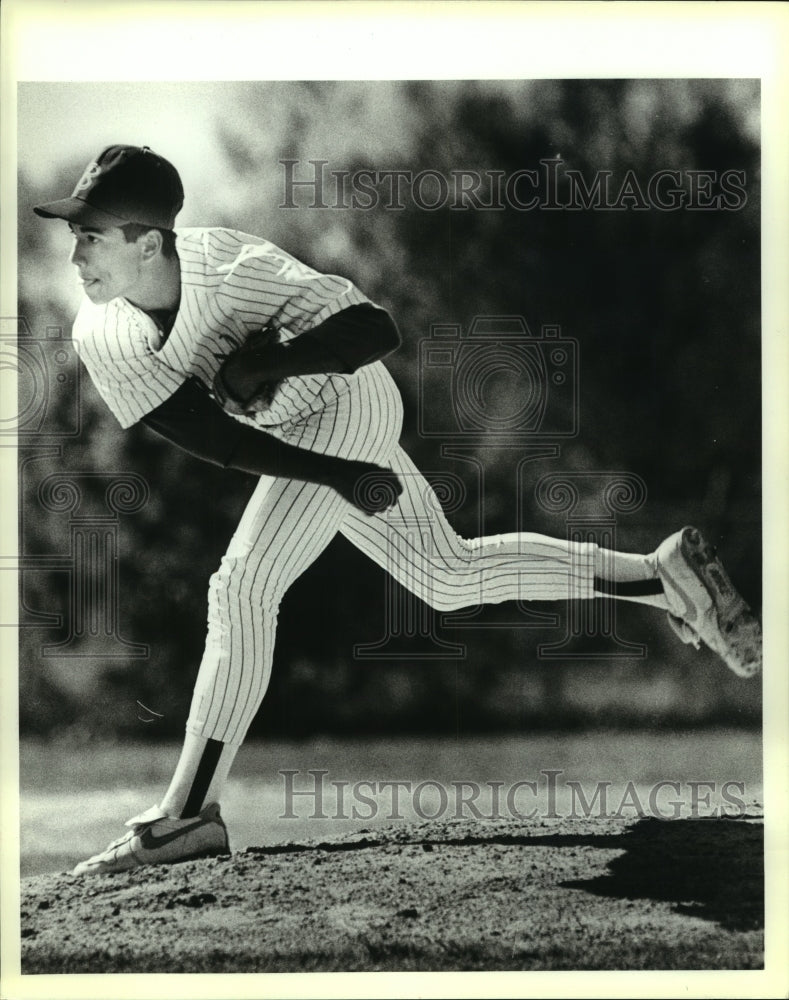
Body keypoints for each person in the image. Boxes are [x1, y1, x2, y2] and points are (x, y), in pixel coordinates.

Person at [33, 145, 762, 876]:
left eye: (90, 235)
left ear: (148, 241)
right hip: (303, 440)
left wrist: (269, 364)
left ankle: (188, 813)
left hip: (351, 400)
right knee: (447, 576)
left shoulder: (232, 268)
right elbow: (209, 437)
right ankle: (660, 577)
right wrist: (335, 475)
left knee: (242, 586)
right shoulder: (102, 332)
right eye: (75, 235)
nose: (76, 256)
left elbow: (375, 330)